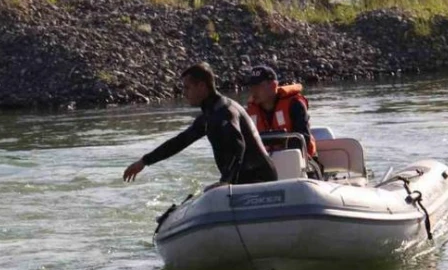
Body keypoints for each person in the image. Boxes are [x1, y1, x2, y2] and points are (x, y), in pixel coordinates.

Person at [123, 62, 277, 188]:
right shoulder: (210, 115)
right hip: (243, 181)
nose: (184, 93)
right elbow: (180, 141)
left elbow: (239, 145)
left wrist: (226, 181)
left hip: (260, 180)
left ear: (202, 86)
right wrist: (144, 161)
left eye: (187, 87)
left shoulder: (225, 111)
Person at [244, 65, 317, 161]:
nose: (253, 91)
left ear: (273, 85)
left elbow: (303, 137)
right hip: (265, 165)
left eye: (258, 86)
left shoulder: (294, 104)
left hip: (301, 162)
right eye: (252, 86)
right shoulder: (249, 111)